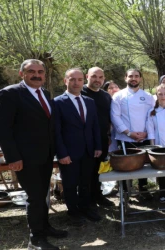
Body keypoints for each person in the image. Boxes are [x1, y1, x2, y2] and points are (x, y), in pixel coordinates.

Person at [0, 59, 67, 250]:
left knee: (43, 194)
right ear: (22, 74)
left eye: (40, 71)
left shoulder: (45, 93)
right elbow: (2, 128)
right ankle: (35, 238)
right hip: (25, 158)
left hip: (45, 156)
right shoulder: (10, 93)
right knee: (34, 196)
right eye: (31, 71)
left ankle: (44, 227)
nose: (37, 75)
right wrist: (13, 157)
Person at [54, 68, 103, 226]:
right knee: (70, 184)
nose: (76, 83)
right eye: (72, 79)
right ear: (65, 81)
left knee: (85, 182)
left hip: (88, 151)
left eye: (79, 79)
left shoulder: (89, 101)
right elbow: (56, 131)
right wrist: (61, 153)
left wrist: (97, 146)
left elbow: (95, 126)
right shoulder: (57, 102)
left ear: (83, 81)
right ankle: (73, 212)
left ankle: (85, 207)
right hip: (68, 153)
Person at [110, 69, 155, 197]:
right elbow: (115, 116)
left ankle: (143, 189)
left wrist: (146, 133)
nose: (133, 78)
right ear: (125, 78)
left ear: (140, 78)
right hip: (125, 138)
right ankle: (124, 191)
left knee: (143, 164)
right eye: (130, 76)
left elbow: (151, 117)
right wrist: (129, 133)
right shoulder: (118, 96)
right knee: (124, 165)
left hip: (143, 138)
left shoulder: (147, 96)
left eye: (136, 76)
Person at [81, 67, 114, 207]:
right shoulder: (80, 93)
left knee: (97, 170)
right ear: (87, 76)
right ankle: (86, 200)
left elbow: (108, 118)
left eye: (101, 77)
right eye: (94, 76)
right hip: (84, 140)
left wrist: (109, 134)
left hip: (101, 139)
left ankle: (97, 195)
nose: (97, 80)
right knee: (85, 171)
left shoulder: (106, 96)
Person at [103, 81, 120, 152]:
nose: (114, 89)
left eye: (116, 87)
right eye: (111, 88)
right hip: (111, 133)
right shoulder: (105, 103)